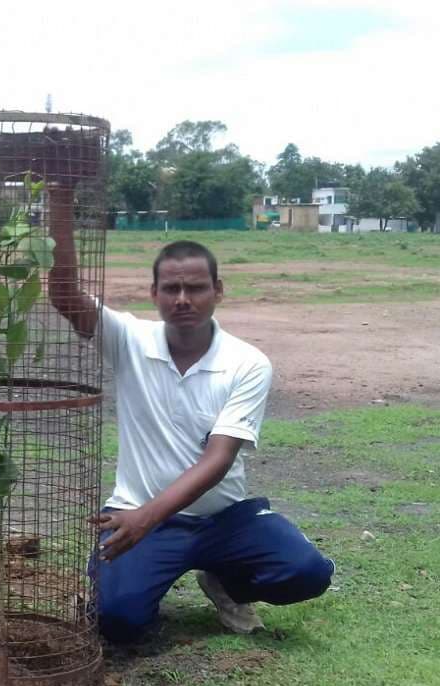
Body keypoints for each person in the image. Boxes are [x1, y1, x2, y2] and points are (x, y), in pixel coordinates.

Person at [49, 236, 334, 643]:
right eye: (171, 289)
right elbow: (63, 294)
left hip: (223, 520)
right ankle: (127, 585)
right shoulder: (129, 340)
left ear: (218, 291)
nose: (183, 299)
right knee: (116, 621)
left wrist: (147, 516)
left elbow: (218, 460)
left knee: (308, 572)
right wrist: (62, 191)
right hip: (138, 514)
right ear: (154, 294)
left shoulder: (247, 363)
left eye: (197, 288)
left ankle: (227, 584)